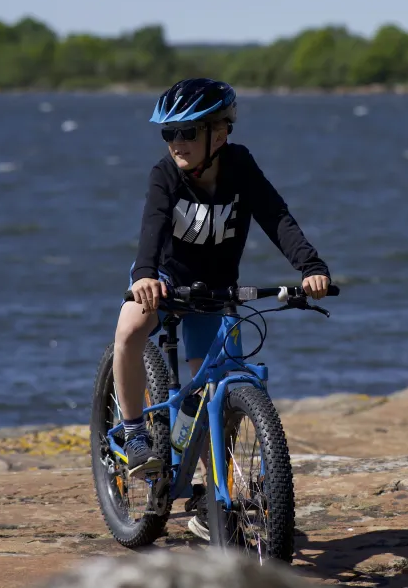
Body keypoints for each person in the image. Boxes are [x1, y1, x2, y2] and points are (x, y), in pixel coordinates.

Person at [113, 78, 332, 538]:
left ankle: (212, 496)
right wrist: (144, 277)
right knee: (131, 327)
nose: (177, 143)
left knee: (221, 388)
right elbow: (153, 225)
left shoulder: (239, 166)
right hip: (167, 279)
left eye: (187, 132)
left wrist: (310, 266)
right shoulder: (165, 175)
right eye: (169, 133)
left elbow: (276, 216)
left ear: (220, 132)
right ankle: (134, 433)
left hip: (215, 288)